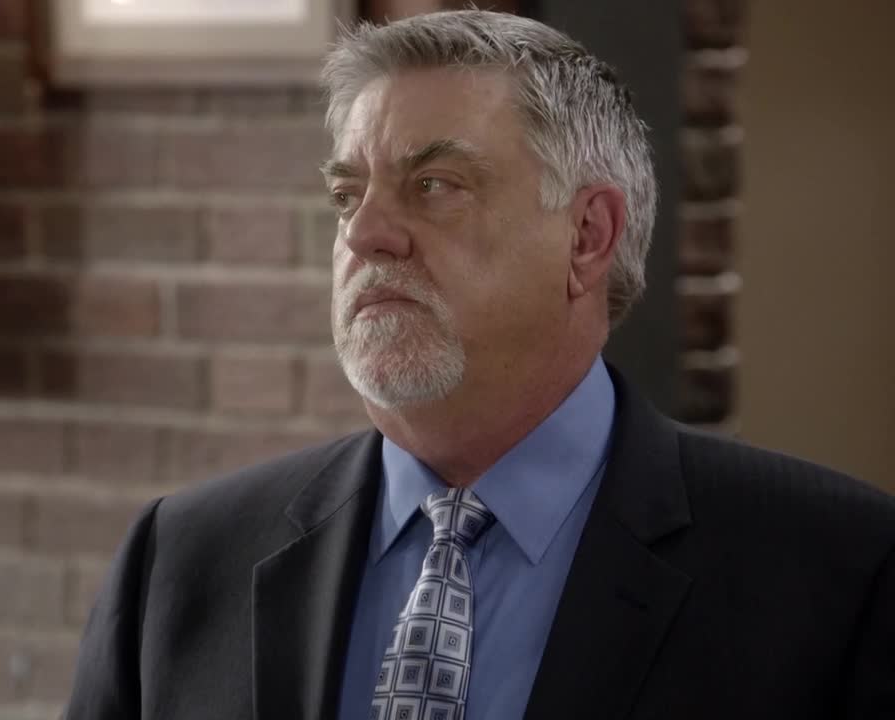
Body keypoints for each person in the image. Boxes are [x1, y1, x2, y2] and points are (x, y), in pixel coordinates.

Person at [65, 10, 895, 720]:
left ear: (588, 237)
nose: (364, 234)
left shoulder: (838, 572)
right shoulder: (179, 561)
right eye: (348, 194)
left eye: (433, 185)